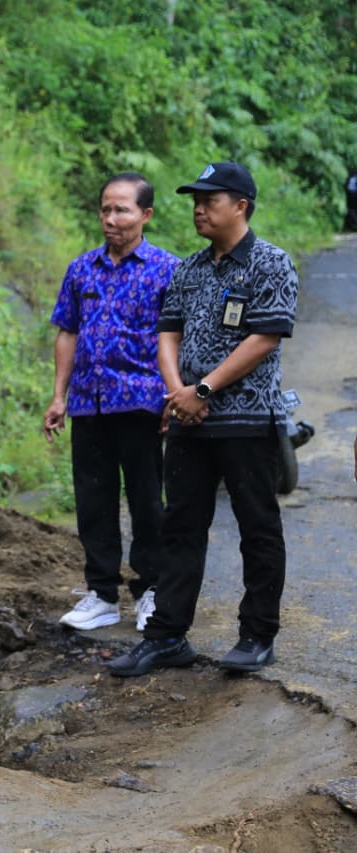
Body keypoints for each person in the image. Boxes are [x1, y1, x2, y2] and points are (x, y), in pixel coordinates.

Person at [109, 161, 298, 677]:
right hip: (190, 422)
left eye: (210, 199)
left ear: (240, 205)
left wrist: (205, 387)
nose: (198, 207)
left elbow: (263, 338)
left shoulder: (270, 263)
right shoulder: (187, 269)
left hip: (247, 420)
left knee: (257, 528)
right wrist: (178, 393)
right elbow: (167, 332)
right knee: (181, 528)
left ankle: (258, 635)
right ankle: (168, 635)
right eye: (195, 199)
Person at [44, 173, 178, 632]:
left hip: (142, 401)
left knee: (146, 501)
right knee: (93, 501)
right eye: (105, 209)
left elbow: (178, 338)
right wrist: (59, 396)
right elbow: (68, 331)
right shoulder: (82, 268)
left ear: (146, 215)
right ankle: (101, 594)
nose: (111, 218)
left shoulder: (167, 269)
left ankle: (151, 590)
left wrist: (173, 395)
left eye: (121, 209)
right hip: (89, 402)